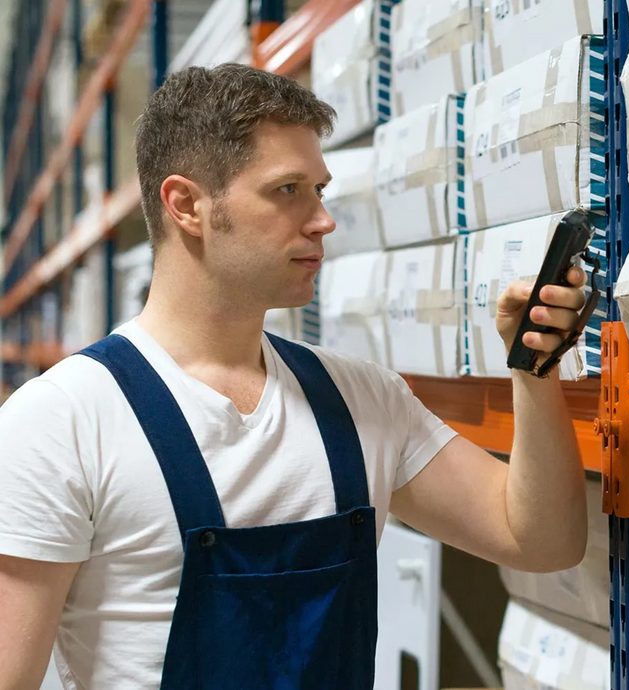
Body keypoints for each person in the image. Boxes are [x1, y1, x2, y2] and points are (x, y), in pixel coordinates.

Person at [0, 63, 589, 690]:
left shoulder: (362, 400)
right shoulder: (61, 422)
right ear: (187, 205)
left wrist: (535, 368)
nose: (322, 220)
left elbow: (542, 541)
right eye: (287, 191)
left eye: (320, 190)